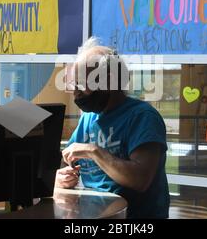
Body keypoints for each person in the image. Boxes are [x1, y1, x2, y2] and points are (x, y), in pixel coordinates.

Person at [55, 38, 170, 219]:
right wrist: (61, 177)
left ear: (109, 82)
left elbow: (140, 180)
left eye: (82, 83)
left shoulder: (142, 117)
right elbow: (66, 160)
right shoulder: (88, 118)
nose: (75, 92)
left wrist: (94, 151)